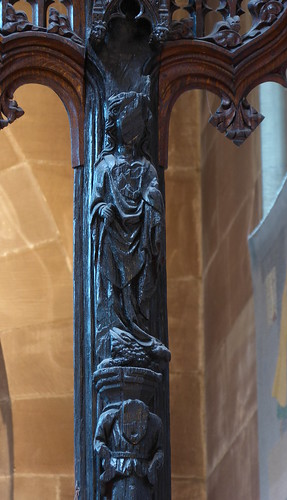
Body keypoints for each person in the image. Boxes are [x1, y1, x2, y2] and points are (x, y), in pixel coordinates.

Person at [91, 91, 170, 367]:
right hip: (113, 237)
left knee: (138, 292)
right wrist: (101, 210)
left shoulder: (147, 167)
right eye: (129, 121)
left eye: (138, 122)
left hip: (139, 240)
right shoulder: (104, 166)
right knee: (114, 288)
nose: (134, 128)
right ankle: (116, 334)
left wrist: (152, 202)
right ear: (117, 126)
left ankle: (139, 333)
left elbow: (153, 195)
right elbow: (96, 202)